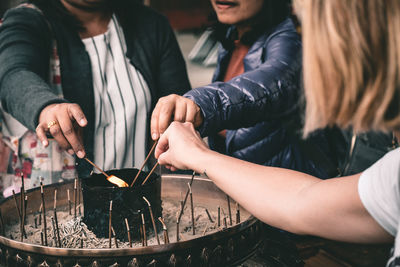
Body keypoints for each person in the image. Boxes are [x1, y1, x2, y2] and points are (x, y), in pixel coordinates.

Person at [155, 0, 400, 265]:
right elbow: (300, 200)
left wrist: (201, 104)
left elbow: (274, 82)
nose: (311, 57)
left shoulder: (287, 41)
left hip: (292, 241)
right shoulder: (392, 176)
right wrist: (199, 156)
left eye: (310, 28)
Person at [0, 0, 190, 187]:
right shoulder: (26, 21)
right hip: (59, 206)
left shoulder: (151, 25)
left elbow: (179, 110)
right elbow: (13, 74)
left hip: (139, 201)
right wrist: (46, 107)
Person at [151, 0, 337, 178]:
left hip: (292, 202)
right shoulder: (233, 38)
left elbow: (275, 81)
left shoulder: (291, 38)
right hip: (239, 200)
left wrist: (201, 103)